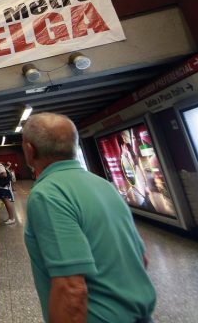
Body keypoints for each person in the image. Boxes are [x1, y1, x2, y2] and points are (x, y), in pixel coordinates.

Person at [22, 112, 156, 323]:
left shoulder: (47, 195)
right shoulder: (104, 186)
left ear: (30, 150)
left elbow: (71, 289)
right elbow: (141, 259)